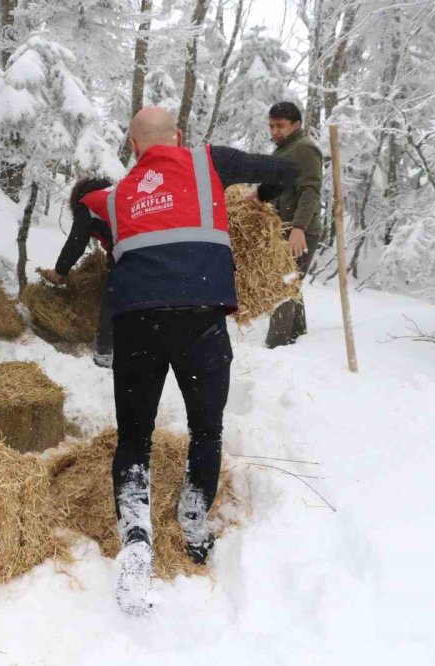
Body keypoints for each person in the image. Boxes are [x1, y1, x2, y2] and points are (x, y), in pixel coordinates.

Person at [107, 107, 299, 616]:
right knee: (206, 430)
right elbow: (285, 170)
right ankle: (193, 526)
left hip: (135, 319)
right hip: (198, 317)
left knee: (133, 436)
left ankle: (135, 532)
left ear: (133, 148)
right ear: (180, 137)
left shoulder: (119, 192)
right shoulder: (206, 162)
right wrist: (258, 203)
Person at [258, 101, 324, 348]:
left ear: (296, 125)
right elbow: (281, 185)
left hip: (299, 229)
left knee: (283, 282)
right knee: (289, 280)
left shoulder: (304, 149)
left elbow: (310, 192)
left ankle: (277, 344)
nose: (275, 131)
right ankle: (297, 335)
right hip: (285, 227)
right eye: (272, 126)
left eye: (281, 126)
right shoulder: (286, 148)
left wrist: (299, 229)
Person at [38, 176, 116, 368]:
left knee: (113, 297)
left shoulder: (88, 203)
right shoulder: (114, 194)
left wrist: (59, 271)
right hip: (151, 246)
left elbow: (76, 242)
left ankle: (104, 353)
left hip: (129, 249)